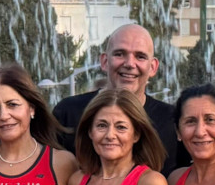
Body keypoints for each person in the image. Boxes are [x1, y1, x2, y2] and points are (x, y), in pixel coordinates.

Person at [54, 24, 180, 174]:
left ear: (153, 67)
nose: (129, 64)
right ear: (104, 61)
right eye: (120, 54)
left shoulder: (171, 119)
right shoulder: (67, 113)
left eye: (140, 56)